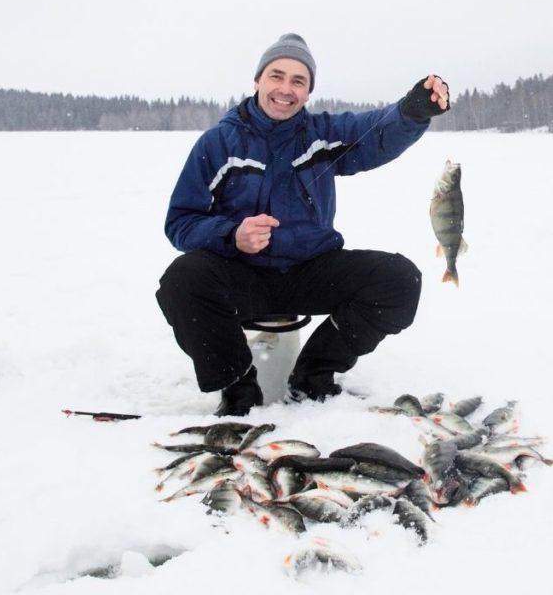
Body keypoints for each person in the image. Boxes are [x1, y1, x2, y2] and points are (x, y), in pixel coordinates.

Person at [156, 33, 451, 416]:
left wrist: (413, 111)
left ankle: (314, 376)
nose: (285, 89)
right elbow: (181, 221)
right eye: (276, 76)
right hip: (241, 274)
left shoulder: (323, 134)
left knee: (399, 280)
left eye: (298, 81)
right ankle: (237, 389)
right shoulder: (217, 143)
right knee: (183, 280)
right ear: (258, 80)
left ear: (308, 92)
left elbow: (376, 131)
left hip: (311, 270)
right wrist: (232, 235)